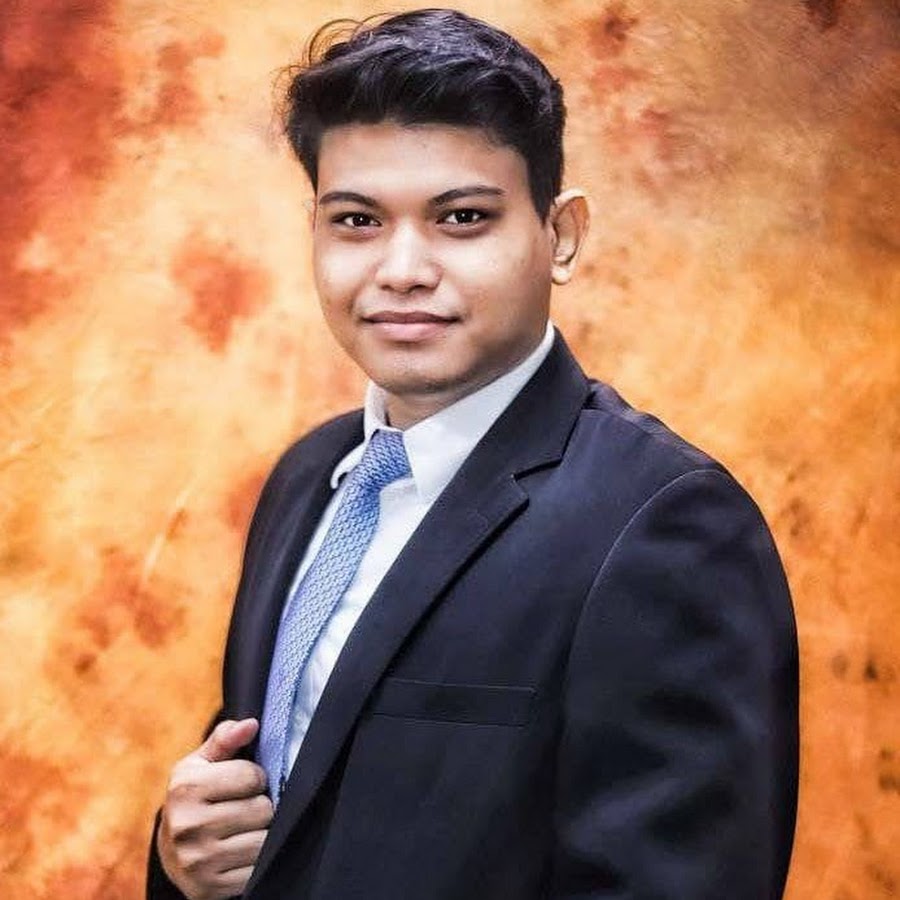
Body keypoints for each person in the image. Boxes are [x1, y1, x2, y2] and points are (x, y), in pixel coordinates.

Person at [147, 9, 799, 899]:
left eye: (461, 218)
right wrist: (182, 857)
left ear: (560, 236)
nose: (402, 268)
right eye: (357, 220)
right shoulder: (310, 478)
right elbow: (286, 815)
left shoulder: (666, 524)